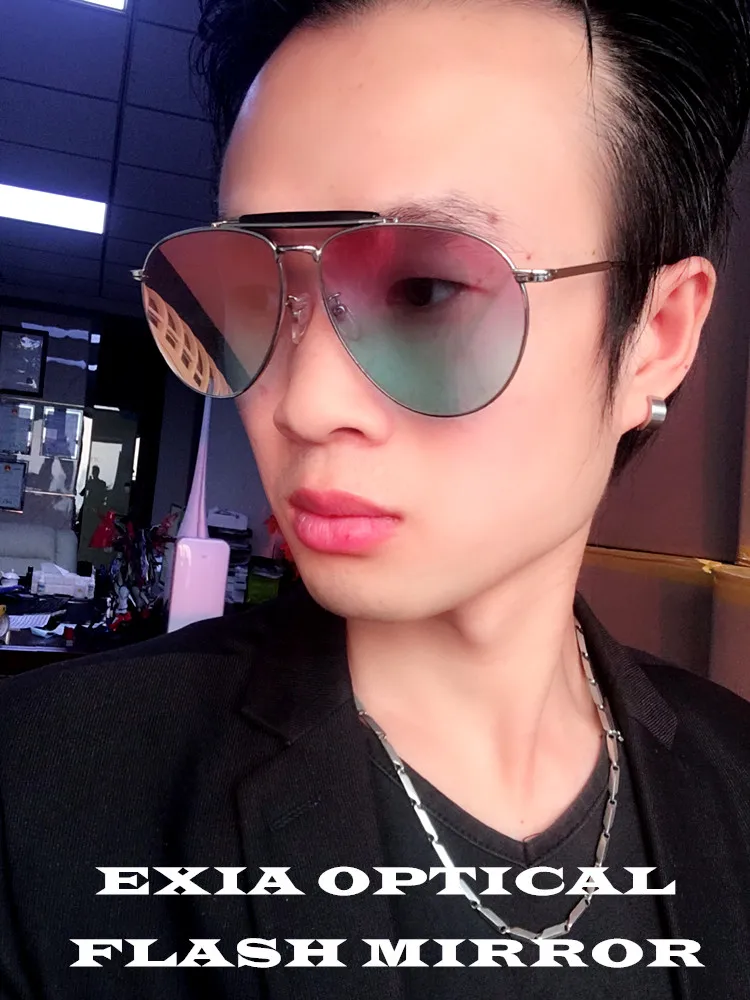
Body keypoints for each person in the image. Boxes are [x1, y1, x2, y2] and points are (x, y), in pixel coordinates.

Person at [1, 1, 750, 997]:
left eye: (427, 292)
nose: (302, 401)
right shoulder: (45, 796)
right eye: (255, 291)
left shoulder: (735, 783)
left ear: (658, 335)